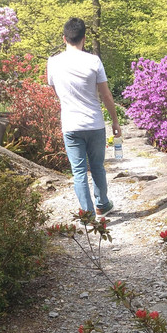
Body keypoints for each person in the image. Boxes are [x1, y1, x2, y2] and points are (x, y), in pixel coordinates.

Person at [46, 17, 122, 218]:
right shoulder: (93, 60)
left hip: (71, 125)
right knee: (97, 166)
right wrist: (115, 121)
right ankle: (102, 204)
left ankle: (86, 215)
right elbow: (106, 95)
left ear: (64, 38)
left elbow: (57, 92)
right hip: (94, 124)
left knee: (78, 172)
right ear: (84, 39)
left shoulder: (52, 62)